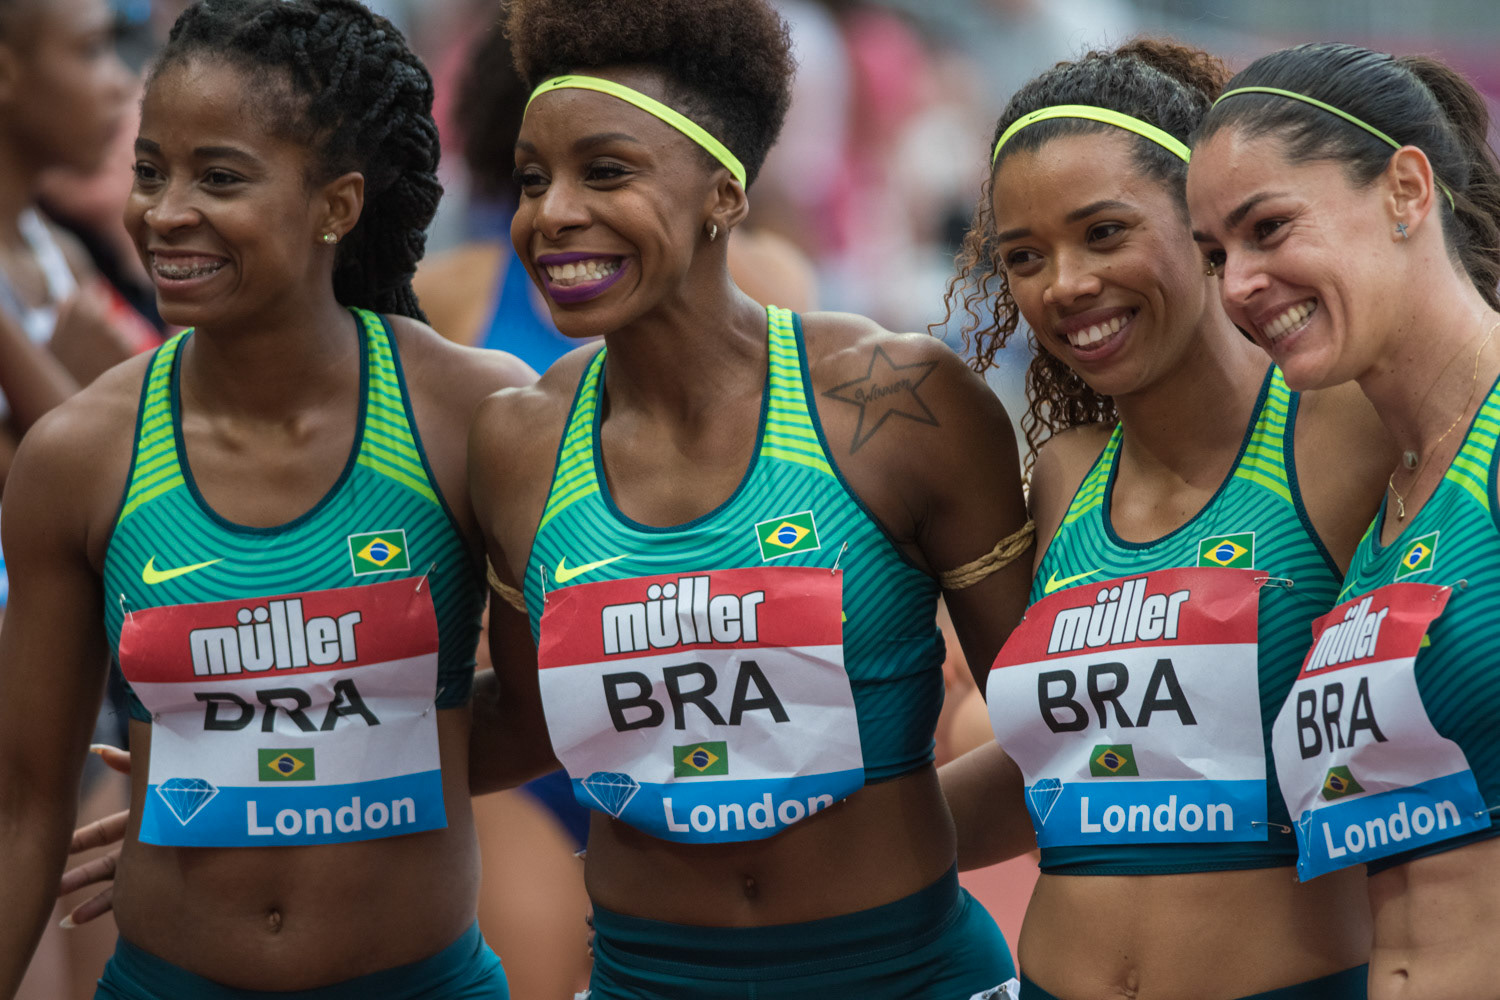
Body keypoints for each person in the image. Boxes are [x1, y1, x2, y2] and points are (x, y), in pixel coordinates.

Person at [465, 0, 1035, 995]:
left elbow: (1055, 721)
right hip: (649, 977)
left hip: (909, 970)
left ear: (724, 194)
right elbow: (521, 725)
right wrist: (241, 735)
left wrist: (874, 836)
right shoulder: (518, 442)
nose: (551, 213)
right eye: (532, 178)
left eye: (606, 172)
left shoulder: (900, 403)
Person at [0, 1, 530, 997]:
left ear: (337, 204)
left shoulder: (474, 414)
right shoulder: (77, 455)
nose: (165, 213)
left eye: (220, 177)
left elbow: (543, 714)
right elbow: (26, 806)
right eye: (150, 171)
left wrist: (277, 790)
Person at [939, 40, 1392, 999]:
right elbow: (1054, 775)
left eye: (1104, 233)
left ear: (1205, 227)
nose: (1064, 284)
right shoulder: (1064, 475)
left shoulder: (1345, 432)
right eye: (1024, 257)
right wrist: (819, 853)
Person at [1187, 42, 1500, 1000]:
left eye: (1269, 227)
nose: (1237, 284)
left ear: (1407, 189)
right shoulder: (1390, 500)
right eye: (1216, 255)